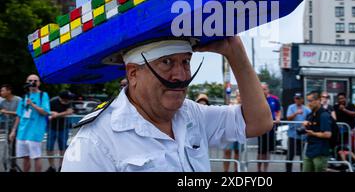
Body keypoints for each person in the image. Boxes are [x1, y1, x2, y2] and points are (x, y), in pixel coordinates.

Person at [61, 36, 273, 171]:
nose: (180, 75)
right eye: (166, 62)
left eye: (185, 62)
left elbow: (259, 122)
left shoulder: (191, 114)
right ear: (133, 73)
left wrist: (234, 52)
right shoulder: (95, 141)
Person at [9, 75, 50, 172]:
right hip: (22, 132)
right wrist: (13, 131)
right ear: (27, 82)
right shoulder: (24, 97)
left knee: (36, 157)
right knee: (25, 157)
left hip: (35, 132)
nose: (33, 82)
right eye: (30, 80)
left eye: (35, 81)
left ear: (39, 83)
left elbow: (45, 112)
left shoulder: (43, 95)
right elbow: (19, 115)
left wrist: (32, 104)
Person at [302, 91, 332, 172]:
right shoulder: (310, 115)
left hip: (320, 152)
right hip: (310, 150)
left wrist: (313, 133)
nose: (309, 104)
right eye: (308, 101)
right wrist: (305, 126)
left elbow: (327, 134)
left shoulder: (324, 115)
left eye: (310, 101)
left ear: (318, 100)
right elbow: (309, 129)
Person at [46, 90, 75, 172]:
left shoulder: (69, 102)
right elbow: (46, 111)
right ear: (63, 99)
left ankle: (61, 166)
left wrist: (57, 115)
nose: (70, 100)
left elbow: (70, 112)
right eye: (68, 98)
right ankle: (52, 167)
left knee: (63, 148)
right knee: (49, 147)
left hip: (63, 128)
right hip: (52, 127)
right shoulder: (52, 101)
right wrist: (53, 113)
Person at [256, 82, 281, 172]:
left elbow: (278, 111)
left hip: (271, 129)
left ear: (268, 90)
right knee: (261, 151)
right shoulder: (257, 99)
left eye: (265, 89)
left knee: (268, 151)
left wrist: (278, 118)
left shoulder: (274, 99)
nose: (263, 91)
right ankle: (259, 169)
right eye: (261, 89)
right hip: (261, 129)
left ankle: (265, 170)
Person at [285, 93, 311, 172]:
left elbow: (311, 117)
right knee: (290, 154)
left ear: (302, 99)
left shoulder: (306, 108)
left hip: (303, 135)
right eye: (296, 98)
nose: (297, 100)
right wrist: (296, 113)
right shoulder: (291, 107)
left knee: (302, 156)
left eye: (299, 98)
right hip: (292, 135)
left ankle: (302, 170)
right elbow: (288, 118)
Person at [0, 84, 22, 171]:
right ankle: (12, 166)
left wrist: (6, 112)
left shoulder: (18, 100)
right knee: (10, 147)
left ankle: (13, 165)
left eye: (3, 90)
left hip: (19, 127)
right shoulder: (2, 102)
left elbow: (20, 113)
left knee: (15, 147)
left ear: (9, 91)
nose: (1, 92)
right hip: (8, 127)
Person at [223, 90, 241, 172]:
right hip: (229, 131)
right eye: (238, 95)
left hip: (239, 132)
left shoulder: (246, 106)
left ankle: (236, 170)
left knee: (237, 152)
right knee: (227, 151)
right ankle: (225, 171)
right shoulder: (231, 105)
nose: (239, 96)